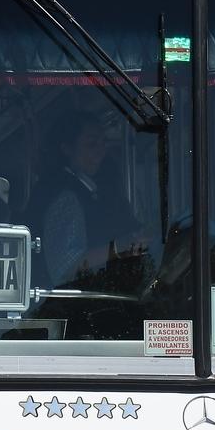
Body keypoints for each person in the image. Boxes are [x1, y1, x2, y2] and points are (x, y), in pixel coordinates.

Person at [38, 109, 146, 292]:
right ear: (67, 149)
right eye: (91, 144)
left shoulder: (103, 188)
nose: (101, 151)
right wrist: (119, 247)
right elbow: (66, 269)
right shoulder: (64, 198)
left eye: (103, 143)